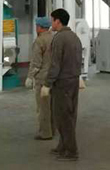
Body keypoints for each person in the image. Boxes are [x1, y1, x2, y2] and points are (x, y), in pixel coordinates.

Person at [41, 8, 82, 162]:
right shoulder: (74, 37)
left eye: (52, 20)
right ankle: (62, 146)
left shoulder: (59, 38)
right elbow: (78, 59)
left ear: (58, 21)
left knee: (63, 117)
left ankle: (71, 151)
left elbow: (55, 64)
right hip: (73, 80)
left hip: (62, 83)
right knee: (70, 114)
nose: (51, 23)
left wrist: (47, 84)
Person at [25, 16, 54, 140]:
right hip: (53, 78)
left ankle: (45, 133)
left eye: (37, 26)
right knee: (52, 106)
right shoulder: (54, 38)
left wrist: (30, 77)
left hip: (42, 79)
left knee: (43, 107)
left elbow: (36, 63)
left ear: (40, 27)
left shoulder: (40, 41)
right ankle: (53, 130)